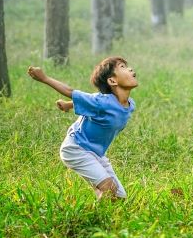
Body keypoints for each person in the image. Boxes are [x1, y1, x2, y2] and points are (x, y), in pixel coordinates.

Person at [27, 57, 138, 198]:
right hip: (76, 148)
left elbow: (92, 100)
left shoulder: (130, 104)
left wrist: (68, 104)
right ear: (112, 81)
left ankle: (99, 200)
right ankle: (91, 214)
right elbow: (71, 91)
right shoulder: (101, 102)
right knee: (109, 190)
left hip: (96, 154)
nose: (130, 69)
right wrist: (44, 78)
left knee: (119, 197)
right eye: (122, 67)